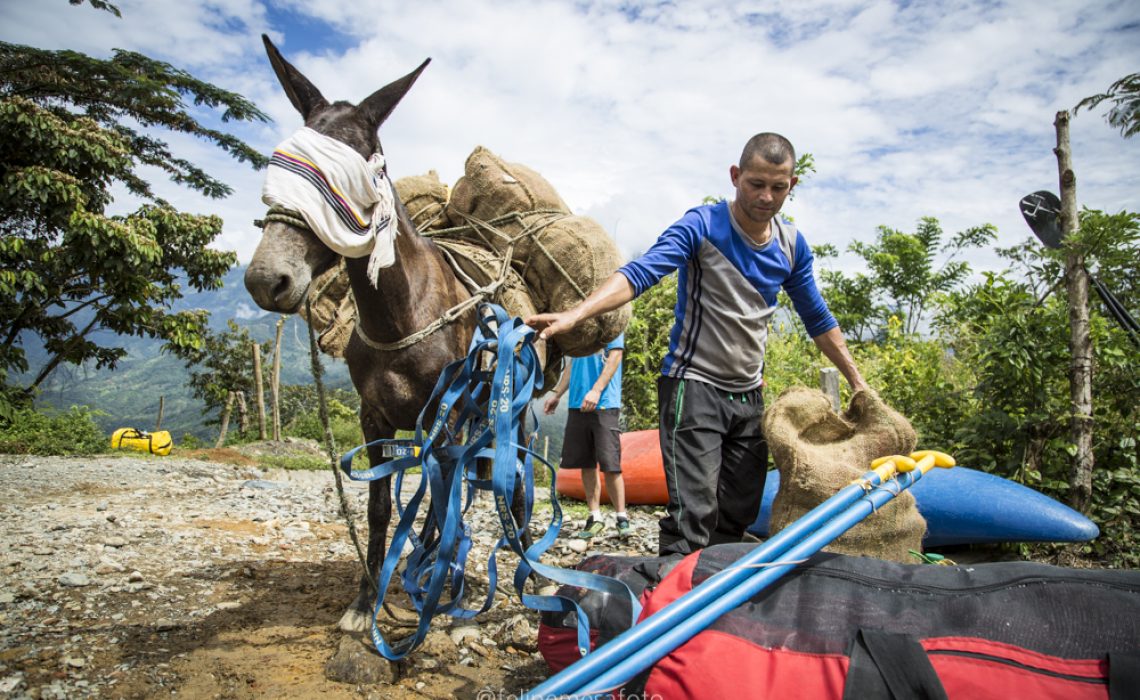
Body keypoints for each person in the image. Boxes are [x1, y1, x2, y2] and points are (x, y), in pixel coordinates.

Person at [528, 133, 868, 556]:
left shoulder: (792, 246)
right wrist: (578, 313)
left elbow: (817, 317)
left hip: (748, 396)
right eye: (755, 184)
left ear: (792, 186)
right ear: (735, 176)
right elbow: (642, 272)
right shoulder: (703, 226)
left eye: (778, 188)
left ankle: (715, 602)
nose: (766, 196)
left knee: (737, 511)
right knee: (695, 514)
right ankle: (671, 598)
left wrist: (858, 381)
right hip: (693, 388)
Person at [544, 333, 630, 539]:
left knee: (611, 464)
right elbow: (572, 366)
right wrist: (557, 394)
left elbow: (615, 356)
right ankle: (595, 517)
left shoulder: (611, 326)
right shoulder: (583, 328)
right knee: (586, 464)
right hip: (577, 404)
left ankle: (621, 518)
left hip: (604, 402)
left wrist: (596, 390)